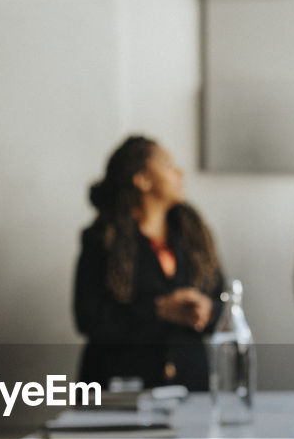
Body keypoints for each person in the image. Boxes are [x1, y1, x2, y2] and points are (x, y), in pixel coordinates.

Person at [74, 136, 225, 391]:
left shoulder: (194, 236)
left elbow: (224, 300)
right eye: (168, 165)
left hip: (190, 385)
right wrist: (158, 309)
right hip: (122, 388)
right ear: (142, 180)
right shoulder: (103, 239)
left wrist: (207, 310)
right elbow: (88, 318)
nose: (180, 172)